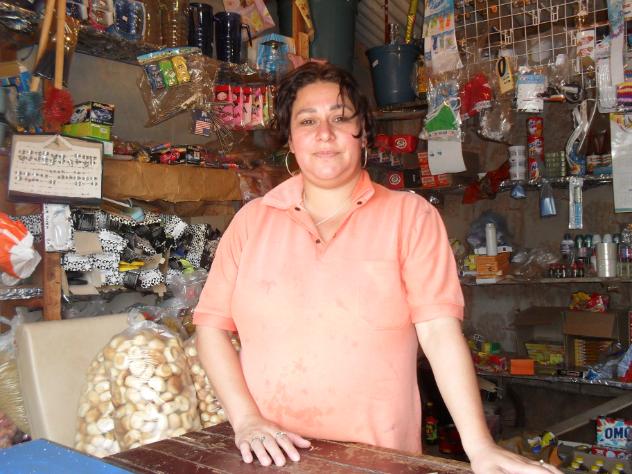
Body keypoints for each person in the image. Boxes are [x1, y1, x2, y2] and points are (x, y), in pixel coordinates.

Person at [193, 62, 561, 474]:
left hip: (379, 460)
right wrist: (246, 420)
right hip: (271, 458)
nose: (325, 133)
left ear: (363, 132)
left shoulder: (410, 217)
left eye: (340, 118)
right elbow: (210, 328)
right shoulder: (252, 222)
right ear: (291, 140)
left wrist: (479, 447)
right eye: (307, 121)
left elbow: (439, 334)